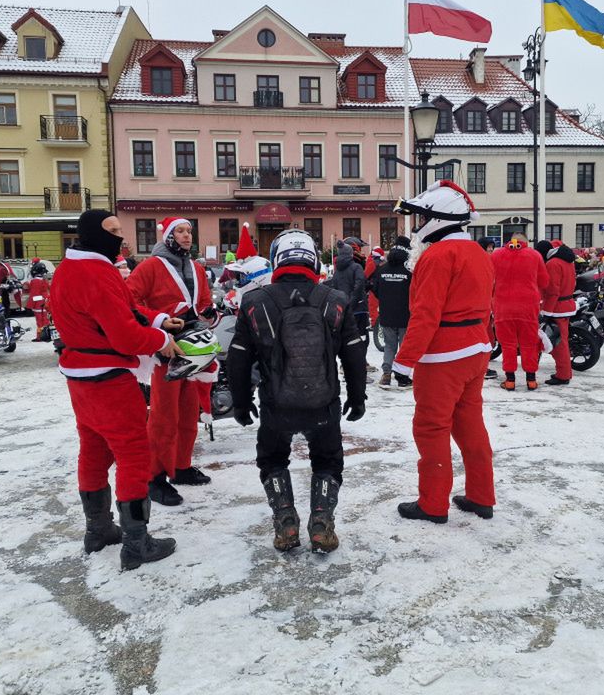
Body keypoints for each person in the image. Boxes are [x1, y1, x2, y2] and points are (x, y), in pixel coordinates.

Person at [48, 209, 182, 571]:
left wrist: (155, 318)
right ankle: (136, 542)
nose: (120, 238)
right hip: (109, 376)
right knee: (133, 454)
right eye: (113, 231)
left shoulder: (68, 270)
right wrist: (160, 339)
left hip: (80, 377)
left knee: (92, 449)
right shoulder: (96, 272)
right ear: (93, 235)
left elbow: (123, 306)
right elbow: (123, 335)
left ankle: (98, 529)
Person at [228, 229, 367, 553]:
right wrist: (357, 397)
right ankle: (321, 524)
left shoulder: (254, 301)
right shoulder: (335, 300)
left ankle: (285, 522)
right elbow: (354, 355)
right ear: (314, 260)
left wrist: (240, 402)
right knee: (328, 461)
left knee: (273, 459)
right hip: (324, 404)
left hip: (277, 406)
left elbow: (238, 357)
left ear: (278, 259)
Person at [392, 181, 496, 524]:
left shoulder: (438, 255)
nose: (418, 225)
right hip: (476, 350)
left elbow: (425, 314)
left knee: (431, 427)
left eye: (422, 217)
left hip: (443, 357)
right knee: (470, 425)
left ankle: (433, 504)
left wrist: (404, 361)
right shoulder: (479, 253)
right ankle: (482, 496)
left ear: (438, 218)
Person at [127, 215, 215, 507]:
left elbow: (202, 301)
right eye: (180, 231)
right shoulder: (150, 266)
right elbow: (129, 300)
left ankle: (181, 466)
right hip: (166, 347)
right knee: (164, 416)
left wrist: (210, 312)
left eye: (189, 230)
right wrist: (160, 321)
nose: (187, 236)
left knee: (189, 411)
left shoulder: (196, 267)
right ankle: (154, 477)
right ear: (168, 236)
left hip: (192, 347)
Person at [491, 233, 548, 392]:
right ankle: (531, 380)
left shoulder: (496, 255)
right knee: (529, 343)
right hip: (528, 306)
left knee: (507, 344)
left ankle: (510, 380)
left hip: (503, 306)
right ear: (525, 241)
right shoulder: (534, 255)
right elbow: (544, 281)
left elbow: (489, 280)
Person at [370, 235, 412, 388]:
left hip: (387, 315)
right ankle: (402, 377)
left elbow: (375, 290)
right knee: (404, 346)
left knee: (389, 345)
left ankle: (386, 375)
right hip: (405, 316)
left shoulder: (381, 269)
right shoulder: (409, 272)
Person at [536, 240, 577, 386]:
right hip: (567, 305)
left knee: (559, 345)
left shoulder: (553, 264)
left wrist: (547, 312)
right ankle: (565, 372)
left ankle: (563, 375)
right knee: (563, 342)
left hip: (557, 308)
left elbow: (553, 291)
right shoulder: (568, 261)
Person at [26, 260, 53, 342]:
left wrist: (30, 305)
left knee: (39, 323)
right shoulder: (44, 280)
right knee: (46, 321)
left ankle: (40, 336)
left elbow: (34, 294)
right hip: (45, 302)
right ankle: (48, 335)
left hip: (38, 305)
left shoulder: (35, 281)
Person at [365, 246, 384, 331]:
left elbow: (365, 275)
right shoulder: (384, 262)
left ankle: (374, 325)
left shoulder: (372, 263)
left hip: (374, 288)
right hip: (383, 287)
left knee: (372, 306)